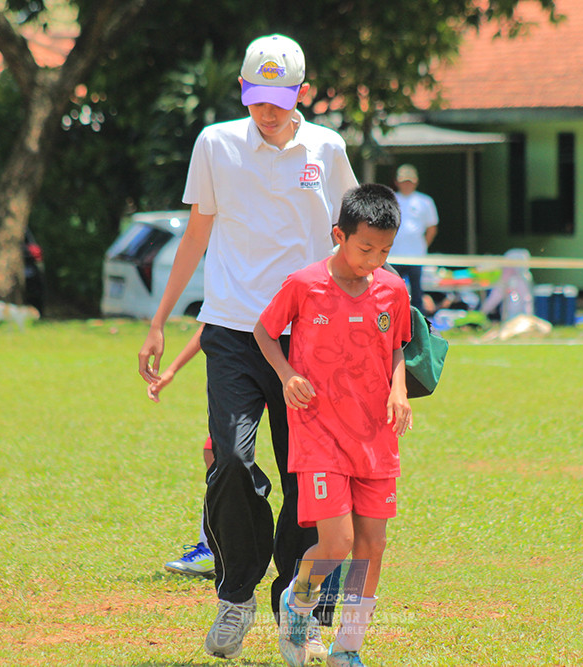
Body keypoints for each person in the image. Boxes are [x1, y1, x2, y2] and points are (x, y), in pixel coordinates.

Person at [137, 33, 358, 661]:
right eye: (257, 97)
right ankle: (235, 591)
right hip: (234, 330)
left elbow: (351, 236)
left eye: (280, 98)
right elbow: (196, 236)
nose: (267, 110)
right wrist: (159, 320)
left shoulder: (327, 148)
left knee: (308, 480)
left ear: (302, 94)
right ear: (243, 91)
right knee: (231, 463)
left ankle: (300, 607)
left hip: (311, 337)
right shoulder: (216, 144)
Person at [253, 184, 412, 667]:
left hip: (375, 434)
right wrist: (286, 375)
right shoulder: (304, 284)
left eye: (384, 250)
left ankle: (348, 646)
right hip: (319, 430)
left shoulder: (393, 288)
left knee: (372, 545)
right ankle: (296, 603)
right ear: (339, 235)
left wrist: (398, 389)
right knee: (338, 542)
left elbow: (399, 347)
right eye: (365, 248)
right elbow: (264, 330)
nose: (374, 259)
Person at [146, 324, 215, 579]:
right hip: (240, 358)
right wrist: (173, 369)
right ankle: (212, 548)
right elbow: (215, 317)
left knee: (298, 462)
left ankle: (316, 548)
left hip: (289, 360)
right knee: (216, 453)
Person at [391, 164, 439, 313]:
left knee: (417, 293)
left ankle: (420, 326)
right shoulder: (391, 199)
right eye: (403, 181)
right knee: (393, 291)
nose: (406, 185)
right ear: (397, 182)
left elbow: (432, 227)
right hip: (394, 255)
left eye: (409, 181)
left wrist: (423, 246)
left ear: (415, 182)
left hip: (416, 256)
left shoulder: (425, 201)